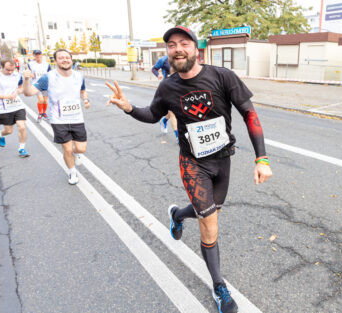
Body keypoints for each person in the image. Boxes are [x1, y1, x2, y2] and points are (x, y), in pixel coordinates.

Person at [107, 26, 272, 313]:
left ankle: (176, 214)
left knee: (207, 212)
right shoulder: (168, 86)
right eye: (171, 45)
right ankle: (219, 285)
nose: (177, 48)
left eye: (184, 43)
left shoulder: (223, 77)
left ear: (196, 49)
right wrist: (129, 107)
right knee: (209, 224)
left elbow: (249, 113)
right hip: (192, 163)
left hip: (222, 161)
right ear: (168, 52)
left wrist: (262, 159)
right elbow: (152, 114)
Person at [23, 49, 90, 185]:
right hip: (59, 120)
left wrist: (86, 99)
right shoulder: (48, 77)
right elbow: (28, 93)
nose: (65, 60)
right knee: (67, 149)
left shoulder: (79, 76)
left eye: (67, 57)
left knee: (81, 149)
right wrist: (26, 80)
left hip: (77, 118)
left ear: (71, 60)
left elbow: (83, 91)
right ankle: (72, 172)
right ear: (55, 61)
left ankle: (76, 155)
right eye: (61, 58)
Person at [0, 59, 29, 157]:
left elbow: (20, 88)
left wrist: (18, 91)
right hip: (3, 107)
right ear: (1, 66)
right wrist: (6, 97)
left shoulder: (17, 75)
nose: (10, 72)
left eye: (12, 70)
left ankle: (22, 148)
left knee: (22, 126)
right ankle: (1, 134)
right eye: (8, 70)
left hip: (18, 105)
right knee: (9, 131)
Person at [151, 55, 179, 143]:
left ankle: (164, 120)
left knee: (177, 110)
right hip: (167, 87)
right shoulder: (163, 60)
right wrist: (158, 74)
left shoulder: (180, 58)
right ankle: (178, 137)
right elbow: (154, 69)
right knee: (172, 112)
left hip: (179, 87)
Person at [27, 50, 51, 122]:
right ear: (34, 56)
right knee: (41, 100)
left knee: (45, 100)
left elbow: (50, 73)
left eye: (39, 54)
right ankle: (40, 113)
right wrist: (31, 75)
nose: (38, 56)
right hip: (36, 84)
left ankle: (44, 113)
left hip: (46, 83)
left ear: (41, 55)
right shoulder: (30, 64)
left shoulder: (47, 64)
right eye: (36, 55)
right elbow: (28, 72)